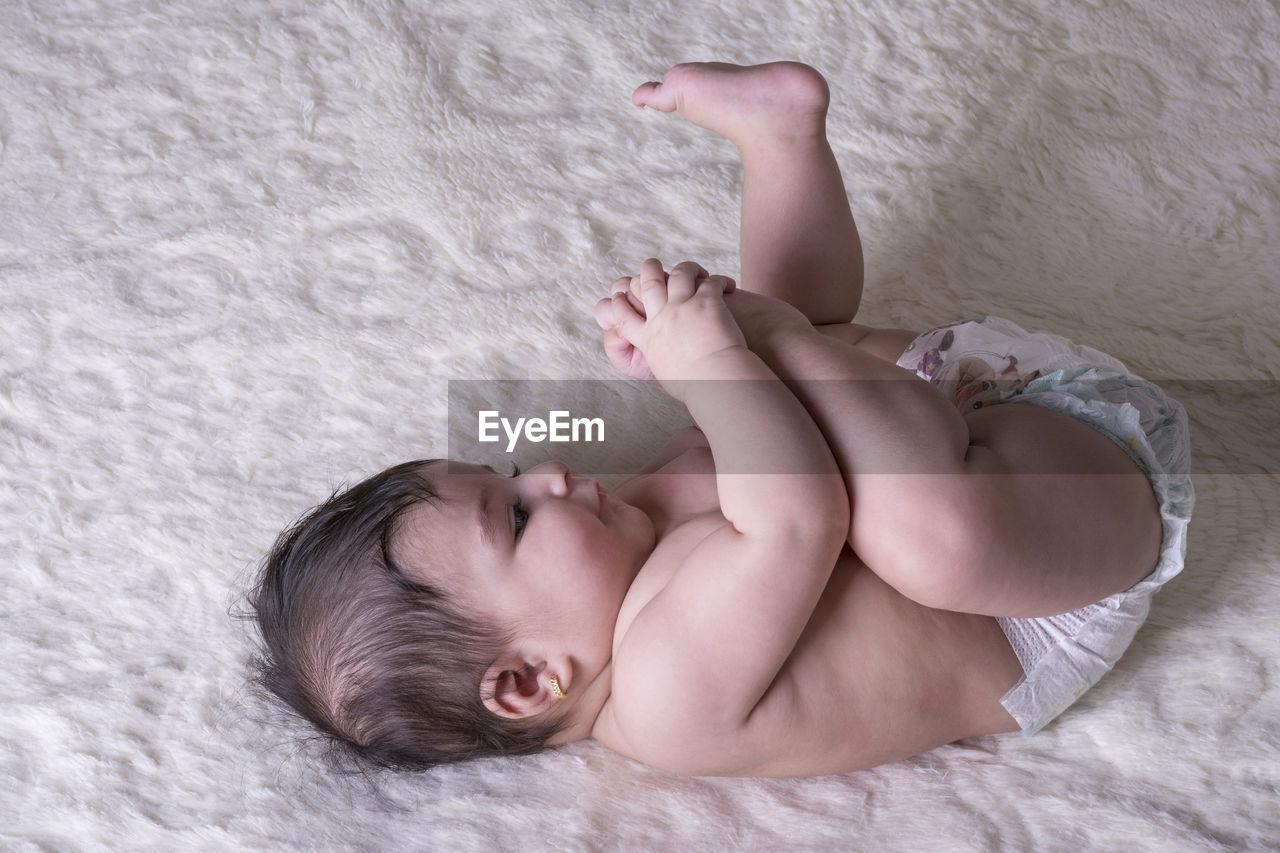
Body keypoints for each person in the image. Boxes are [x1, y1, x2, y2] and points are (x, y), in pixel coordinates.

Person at [250, 62, 1193, 778]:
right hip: (1056, 563)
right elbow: (794, 520)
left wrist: (692, 366)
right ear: (531, 680)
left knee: (776, 369)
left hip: (974, 410)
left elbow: (759, 444)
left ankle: (780, 143)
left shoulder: (618, 538)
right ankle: (778, 324)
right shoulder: (663, 700)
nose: (546, 472)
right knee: (919, 532)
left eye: (507, 475)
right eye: (519, 516)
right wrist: (714, 364)